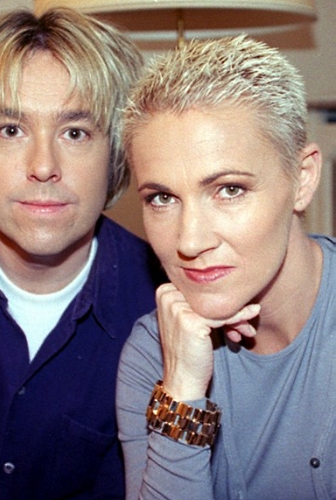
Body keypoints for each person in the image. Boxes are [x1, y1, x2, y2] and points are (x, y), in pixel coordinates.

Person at [0, 7, 164, 500]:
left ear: (116, 156)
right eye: (11, 130)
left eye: (75, 133)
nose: (43, 166)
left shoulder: (167, 309)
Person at [116, 34, 334, 499]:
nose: (190, 241)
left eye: (229, 190)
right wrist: (181, 392)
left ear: (303, 179)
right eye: (162, 198)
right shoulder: (154, 352)